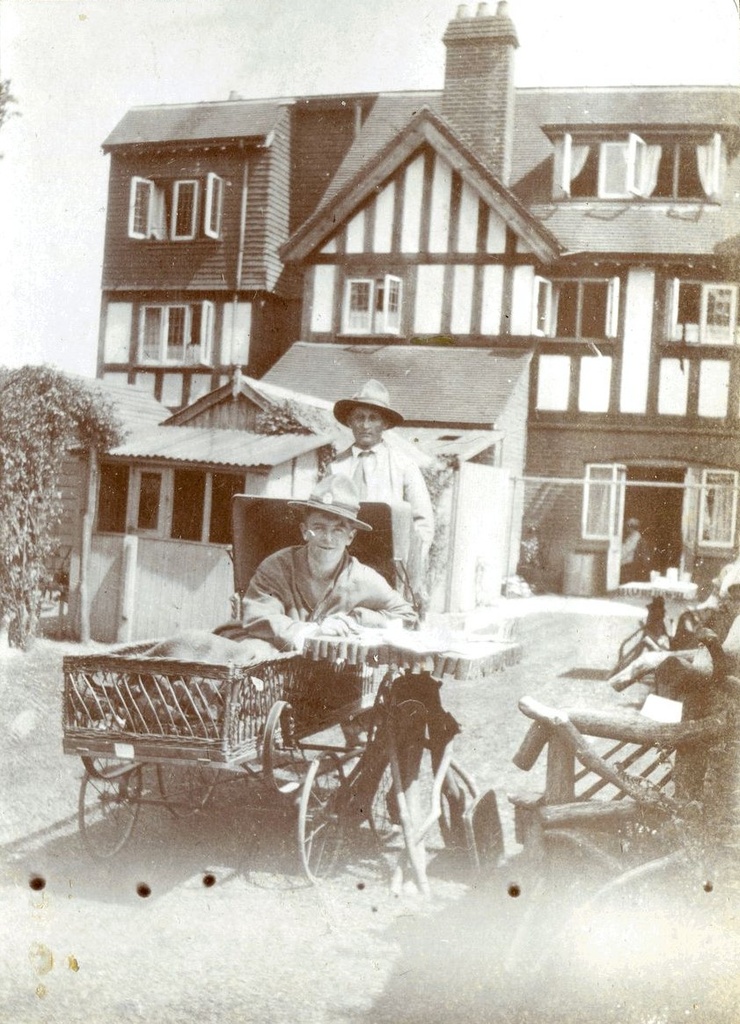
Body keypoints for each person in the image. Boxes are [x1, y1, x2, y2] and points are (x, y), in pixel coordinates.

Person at [119, 475, 417, 666]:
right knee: (210, 646)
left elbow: (406, 616)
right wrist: (312, 631)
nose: (328, 538)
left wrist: (357, 618)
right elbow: (261, 616)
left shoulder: (363, 578)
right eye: (319, 527)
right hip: (270, 650)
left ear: (351, 537)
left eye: (339, 530)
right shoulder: (278, 564)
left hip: (322, 670)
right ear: (303, 530)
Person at [328, 379, 434, 605]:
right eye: (359, 417)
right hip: (343, 565)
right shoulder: (335, 467)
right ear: (349, 421)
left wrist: (411, 574)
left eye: (373, 418)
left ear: (384, 423)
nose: (365, 425)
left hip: (388, 569)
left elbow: (422, 524)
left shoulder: (404, 465)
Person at [620, 517, 651, 584]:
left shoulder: (635, 537)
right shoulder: (631, 537)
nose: (626, 528)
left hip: (629, 566)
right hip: (626, 565)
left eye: (627, 526)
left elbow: (625, 551)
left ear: (632, 527)